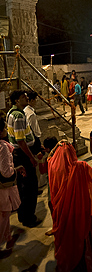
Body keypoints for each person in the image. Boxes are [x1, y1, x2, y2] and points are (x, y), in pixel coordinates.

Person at [48, 141, 92, 272]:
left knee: (67, 240)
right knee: (82, 240)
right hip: (80, 212)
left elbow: (49, 158)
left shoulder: (53, 166)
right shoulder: (81, 167)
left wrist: (57, 147)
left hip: (62, 214)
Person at [7, 90, 40, 228]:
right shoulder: (19, 116)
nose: (26, 98)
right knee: (30, 187)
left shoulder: (11, 112)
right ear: (16, 101)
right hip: (23, 155)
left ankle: (23, 215)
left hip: (18, 154)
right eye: (22, 97)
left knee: (23, 186)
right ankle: (28, 217)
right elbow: (21, 140)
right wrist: (31, 157)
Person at [0, 118, 26, 258]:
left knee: (5, 213)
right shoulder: (3, 147)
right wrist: (16, 169)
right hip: (3, 187)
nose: (5, 130)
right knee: (4, 214)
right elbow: (6, 171)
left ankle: (8, 236)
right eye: (4, 128)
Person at [24, 91, 42, 156]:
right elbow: (33, 129)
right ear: (32, 100)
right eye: (35, 99)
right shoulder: (31, 114)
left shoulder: (25, 110)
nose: (36, 101)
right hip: (34, 140)